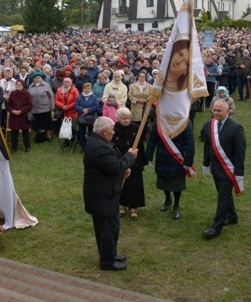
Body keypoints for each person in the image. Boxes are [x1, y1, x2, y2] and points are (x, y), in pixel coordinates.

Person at [83, 116, 137, 271]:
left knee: (107, 229)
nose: (114, 132)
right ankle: (107, 261)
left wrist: (122, 172)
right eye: (112, 129)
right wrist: (130, 156)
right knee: (107, 229)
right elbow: (113, 166)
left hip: (103, 194)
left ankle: (110, 254)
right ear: (105, 131)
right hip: (102, 196)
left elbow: (109, 169)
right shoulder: (99, 148)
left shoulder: (97, 143)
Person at [201, 100, 246, 239]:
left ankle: (216, 227)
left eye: (219, 111)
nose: (215, 113)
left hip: (229, 170)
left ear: (227, 111)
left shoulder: (236, 127)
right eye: (214, 110)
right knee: (224, 194)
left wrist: (239, 173)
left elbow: (240, 152)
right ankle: (232, 216)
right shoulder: (209, 124)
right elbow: (207, 146)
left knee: (223, 197)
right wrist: (205, 163)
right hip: (216, 168)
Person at [145, 118, 195, 220]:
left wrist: (188, 161)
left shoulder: (185, 120)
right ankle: (168, 199)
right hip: (162, 155)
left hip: (178, 156)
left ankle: (176, 205)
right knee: (163, 180)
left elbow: (190, 142)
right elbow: (152, 138)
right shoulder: (159, 120)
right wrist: (148, 156)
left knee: (177, 183)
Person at [113, 108, 147, 221]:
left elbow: (140, 146)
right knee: (122, 184)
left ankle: (133, 208)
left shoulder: (135, 128)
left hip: (134, 161)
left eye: (128, 118)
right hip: (120, 161)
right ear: (118, 118)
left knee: (134, 185)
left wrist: (142, 162)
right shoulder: (114, 129)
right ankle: (122, 206)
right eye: (124, 118)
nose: (127, 120)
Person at [28, 71, 54, 142]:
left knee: (47, 123)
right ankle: (40, 136)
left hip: (45, 107)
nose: (37, 79)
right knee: (37, 123)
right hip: (35, 108)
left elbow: (51, 96)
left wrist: (52, 107)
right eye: (36, 78)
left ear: (41, 78)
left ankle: (48, 136)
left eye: (38, 78)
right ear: (34, 79)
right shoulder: (31, 86)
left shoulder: (46, 85)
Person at [7, 80, 33, 153]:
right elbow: (8, 105)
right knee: (14, 133)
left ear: (22, 85)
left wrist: (21, 111)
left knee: (25, 132)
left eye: (19, 84)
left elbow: (30, 105)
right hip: (14, 116)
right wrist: (12, 111)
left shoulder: (27, 94)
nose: (17, 86)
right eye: (17, 84)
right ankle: (14, 148)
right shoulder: (12, 94)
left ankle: (27, 147)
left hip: (23, 116)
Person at [75, 82, 98, 152]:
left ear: (91, 89)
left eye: (89, 88)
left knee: (91, 133)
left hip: (91, 117)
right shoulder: (79, 97)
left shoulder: (94, 97)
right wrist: (82, 110)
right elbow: (76, 106)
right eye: (85, 88)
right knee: (81, 133)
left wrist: (88, 110)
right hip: (82, 118)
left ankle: (90, 147)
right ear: (83, 89)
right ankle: (83, 147)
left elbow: (96, 106)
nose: (87, 90)